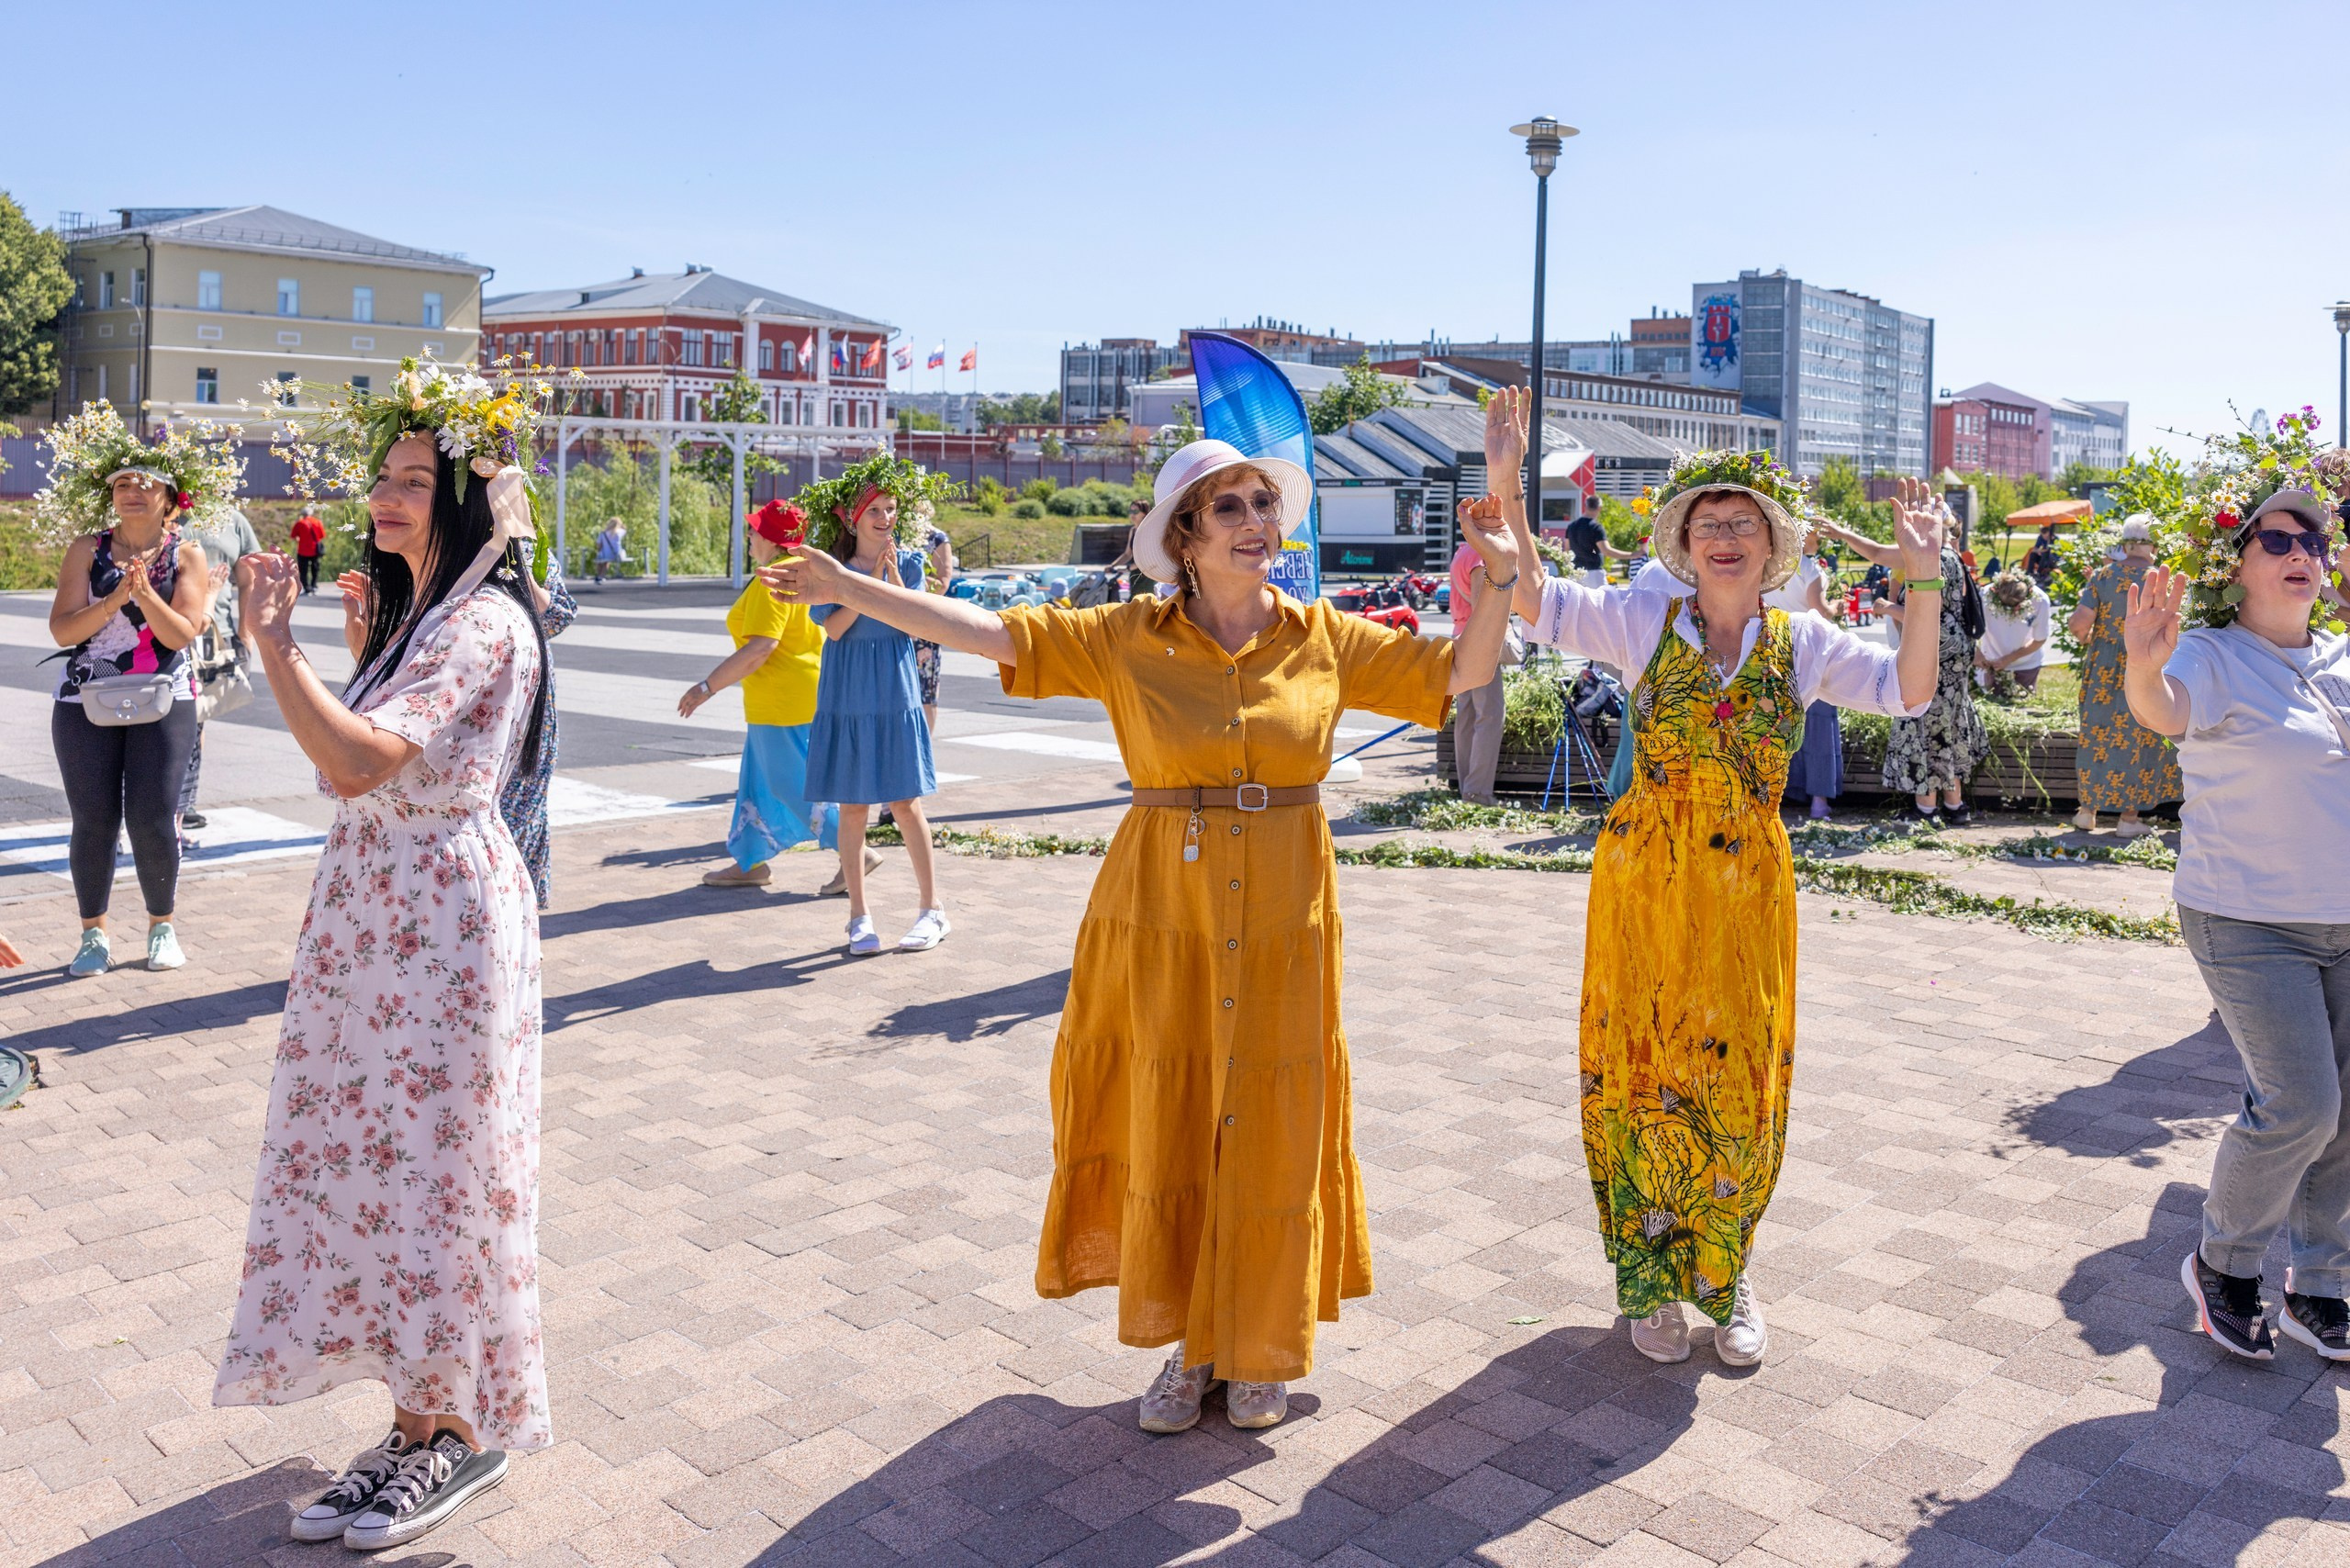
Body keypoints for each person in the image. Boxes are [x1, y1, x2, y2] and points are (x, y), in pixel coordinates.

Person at [763, 420, 1521, 1434]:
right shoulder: (1126, 637)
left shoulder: (1324, 636)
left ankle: (1262, 1346)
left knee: (1273, 1115)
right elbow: (988, 632)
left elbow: (1459, 674)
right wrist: (853, 589)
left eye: (1264, 505)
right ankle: (1191, 1344)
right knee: (1175, 1109)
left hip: (1289, 908)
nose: (1257, 522)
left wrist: (1505, 576)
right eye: (1230, 508)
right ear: (1184, 536)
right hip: (1161, 905)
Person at [1502, 443, 1946, 1367]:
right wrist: (1508, 487)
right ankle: (1652, 1281)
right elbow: (1535, 603)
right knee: (1643, 1070)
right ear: (1684, 541)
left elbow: (1909, 690)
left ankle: (1729, 1267)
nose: (1726, 536)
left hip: (1748, 887)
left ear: (1773, 537)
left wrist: (1924, 577)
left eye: (1743, 520)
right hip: (1644, 882)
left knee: (1741, 1077)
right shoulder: (1640, 620)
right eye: (1709, 523)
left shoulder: (1803, 641)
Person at [215, 363, 555, 1551]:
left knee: (441, 1173)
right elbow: (347, 766)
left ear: (468, 501)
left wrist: (276, 647)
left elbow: (360, 766)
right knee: (378, 1170)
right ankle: (411, 1431)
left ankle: (448, 1436)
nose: (391, 495)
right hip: (378, 917)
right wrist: (355, 652)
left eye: (420, 479)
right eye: (386, 475)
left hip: (441, 927)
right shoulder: (421, 618)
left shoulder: (483, 620)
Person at [2119, 485, 2350, 1362]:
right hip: (2248, 917)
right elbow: (2165, 710)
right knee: (2301, 1104)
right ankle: (2225, 1264)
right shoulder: (2213, 655)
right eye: (2279, 538)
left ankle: (2322, 1285)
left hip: (2346, 917)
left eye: (2317, 541)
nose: (2304, 553)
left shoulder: (2342, 656)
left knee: (2349, 1116)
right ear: (2238, 564)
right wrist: (2144, 665)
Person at [39, 409, 225, 978]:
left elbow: (181, 634)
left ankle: (161, 927)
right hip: (84, 702)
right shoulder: (85, 550)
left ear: (171, 497)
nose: (132, 491)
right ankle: (92, 935)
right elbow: (63, 630)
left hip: (165, 698)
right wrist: (113, 600)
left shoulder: (187, 555)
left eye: (145, 482)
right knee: (92, 819)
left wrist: (144, 595)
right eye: (122, 483)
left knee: (151, 818)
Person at [681, 499, 870, 894]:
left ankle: (856, 852)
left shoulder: (775, 578)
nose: (749, 535)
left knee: (790, 784)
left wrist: (706, 687)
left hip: (782, 700)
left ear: (771, 538)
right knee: (760, 782)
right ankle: (751, 861)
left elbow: (761, 647)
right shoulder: (796, 571)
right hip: (786, 695)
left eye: (754, 529)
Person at [801, 459, 947, 955]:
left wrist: (892, 584)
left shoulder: (907, 565)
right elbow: (836, 628)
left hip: (894, 691)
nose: (885, 518)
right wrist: (868, 588)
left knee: (906, 802)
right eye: (875, 510)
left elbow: (916, 626)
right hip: (846, 694)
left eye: (891, 509)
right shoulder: (829, 568)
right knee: (853, 806)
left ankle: (932, 910)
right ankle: (858, 917)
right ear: (850, 516)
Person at [1823, 514, 1989, 823]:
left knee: (1921, 719)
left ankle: (1925, 808)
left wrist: (1888, 609)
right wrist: (1842, 533)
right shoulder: (1955, 559)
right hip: (1955, 653)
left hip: (1933, 649)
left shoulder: (1933, 558)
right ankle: (1956, 806)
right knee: (1947, 725)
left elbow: (1929, 609)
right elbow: (1875, 553)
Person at [2069, 514, 2181, 835]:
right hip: (2145, 668)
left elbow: (2078, 624)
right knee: (2140, 736)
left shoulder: (2103, 575)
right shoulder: (2161, 580)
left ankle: (2086, 812)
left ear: (2125, 542)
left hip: (2102, 670)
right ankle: (2128, 820)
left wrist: (2093, 640)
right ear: (2153, 545)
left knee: (2095, 734)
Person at [177, 505, 264, 833]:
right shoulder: (165, 512)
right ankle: (160, 800)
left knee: (196, 717)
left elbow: (249, 579)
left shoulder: (233, 519)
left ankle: (185, 801)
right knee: (168, 717)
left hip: (218, 632)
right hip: (169, 628)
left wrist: (246, 634)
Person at [1449, 521, 1509, 803]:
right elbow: (1479, 604)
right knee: (1490, 716)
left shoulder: (1462, 552)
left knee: (1468, 715)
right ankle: (1478, 792)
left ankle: (1467, 787)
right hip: (1477, 643)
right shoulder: (1478, 556)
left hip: (1459, 638)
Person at [912, 500, 955, 732]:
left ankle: (926, 743)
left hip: (925, 622)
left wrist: (911, 574)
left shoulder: (937, 539)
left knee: (926, 690)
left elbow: (942, 584)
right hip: (897, 620)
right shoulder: (893, 536)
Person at [1976, 566, 2052, 693]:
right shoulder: (1984, 595)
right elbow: (1969, 628)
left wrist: (2009, 658)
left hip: (2027, 664)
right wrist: (1977, 653)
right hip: (1992, 662)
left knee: (2022, 703)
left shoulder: (2040, 600)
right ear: (1997, 592)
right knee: (1994, 702)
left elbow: (2039, 640)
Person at [1564, 499, 1636, 588]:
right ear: (1599, 508)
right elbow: (1607, 551)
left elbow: (1567, 549)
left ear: (1585, 507)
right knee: (1602, 600)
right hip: (1594, 574)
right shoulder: (1596, 527)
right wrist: (1633, 555)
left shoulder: (1571, 526)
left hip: (1575, 573)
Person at [289, 506, 326, 593]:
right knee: (315, 568)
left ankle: (306, 587)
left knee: (303, 570)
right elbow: (322, 535)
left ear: (303, 514)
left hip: (303, 550)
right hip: (315, 550)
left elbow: (293, 536)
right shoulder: (317, 522)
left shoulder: (300, 523)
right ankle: (314, 585)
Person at [2023, 521, 2062, 587]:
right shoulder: (2040, 537)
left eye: (2046, 536)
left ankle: (2039, 573)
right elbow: (2035, 548)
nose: (2044, 537)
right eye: (2043, 535)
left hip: (2053, 560)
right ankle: (2030, 572)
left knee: (2045, 553)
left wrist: (2044, 550)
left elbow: (2053, 551)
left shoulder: (2055, 539)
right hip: (2044, 559)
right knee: (2033, 554)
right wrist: (2038, 551)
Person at [591, 515, 626, 584]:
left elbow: (598, 545)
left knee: (602, 562)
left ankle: (599, 576)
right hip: (616, 553)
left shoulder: (603, 533)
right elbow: (625, 529)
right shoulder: (619, 532)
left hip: (605, 553)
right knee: (606, 562)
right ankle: (601, 576)